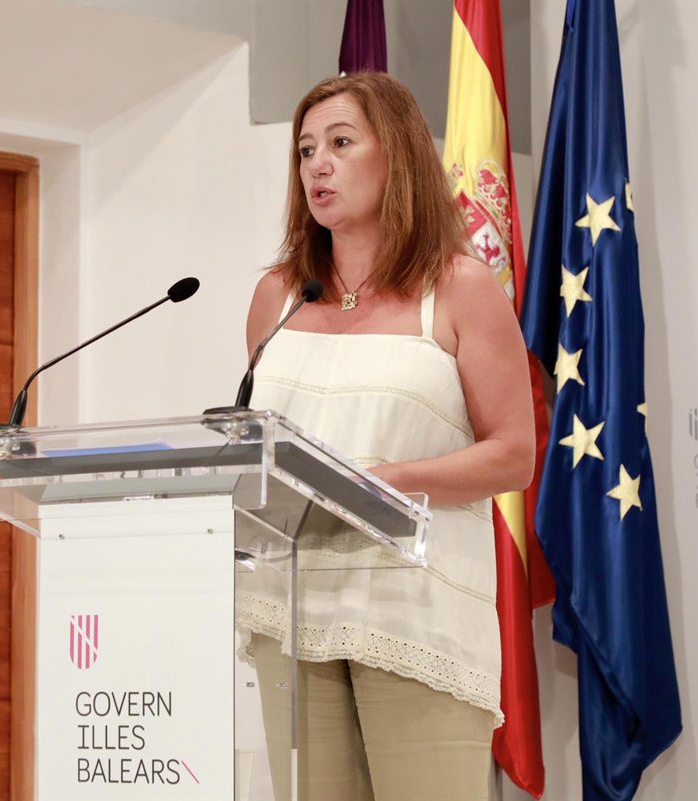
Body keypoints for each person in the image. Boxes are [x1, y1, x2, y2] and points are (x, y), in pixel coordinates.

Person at [236, 72, 534, 801]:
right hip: (292, 606)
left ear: (396, 155)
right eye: (306, 150)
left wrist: (384, 485)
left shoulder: (459, 288)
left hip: (413, 611)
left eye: (340, 143)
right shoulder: (279, 296)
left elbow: (513, 453)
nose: (318, 165)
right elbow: (259, 443)